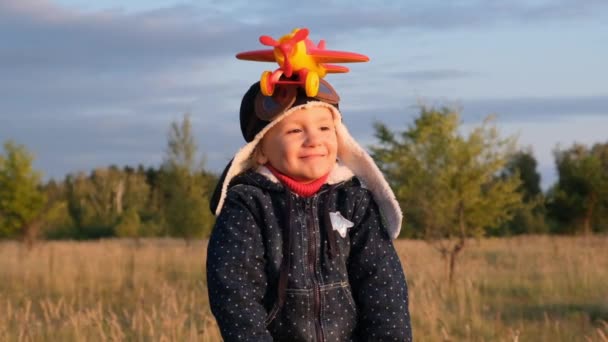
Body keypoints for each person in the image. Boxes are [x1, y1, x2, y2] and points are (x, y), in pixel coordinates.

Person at [206, 74, 412, 340]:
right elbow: (235, 293)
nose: (313, 140)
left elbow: (384, 288)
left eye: (325, 129)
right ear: (260, 149)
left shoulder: (355, 203)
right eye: (295, 130)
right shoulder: (249, 206)